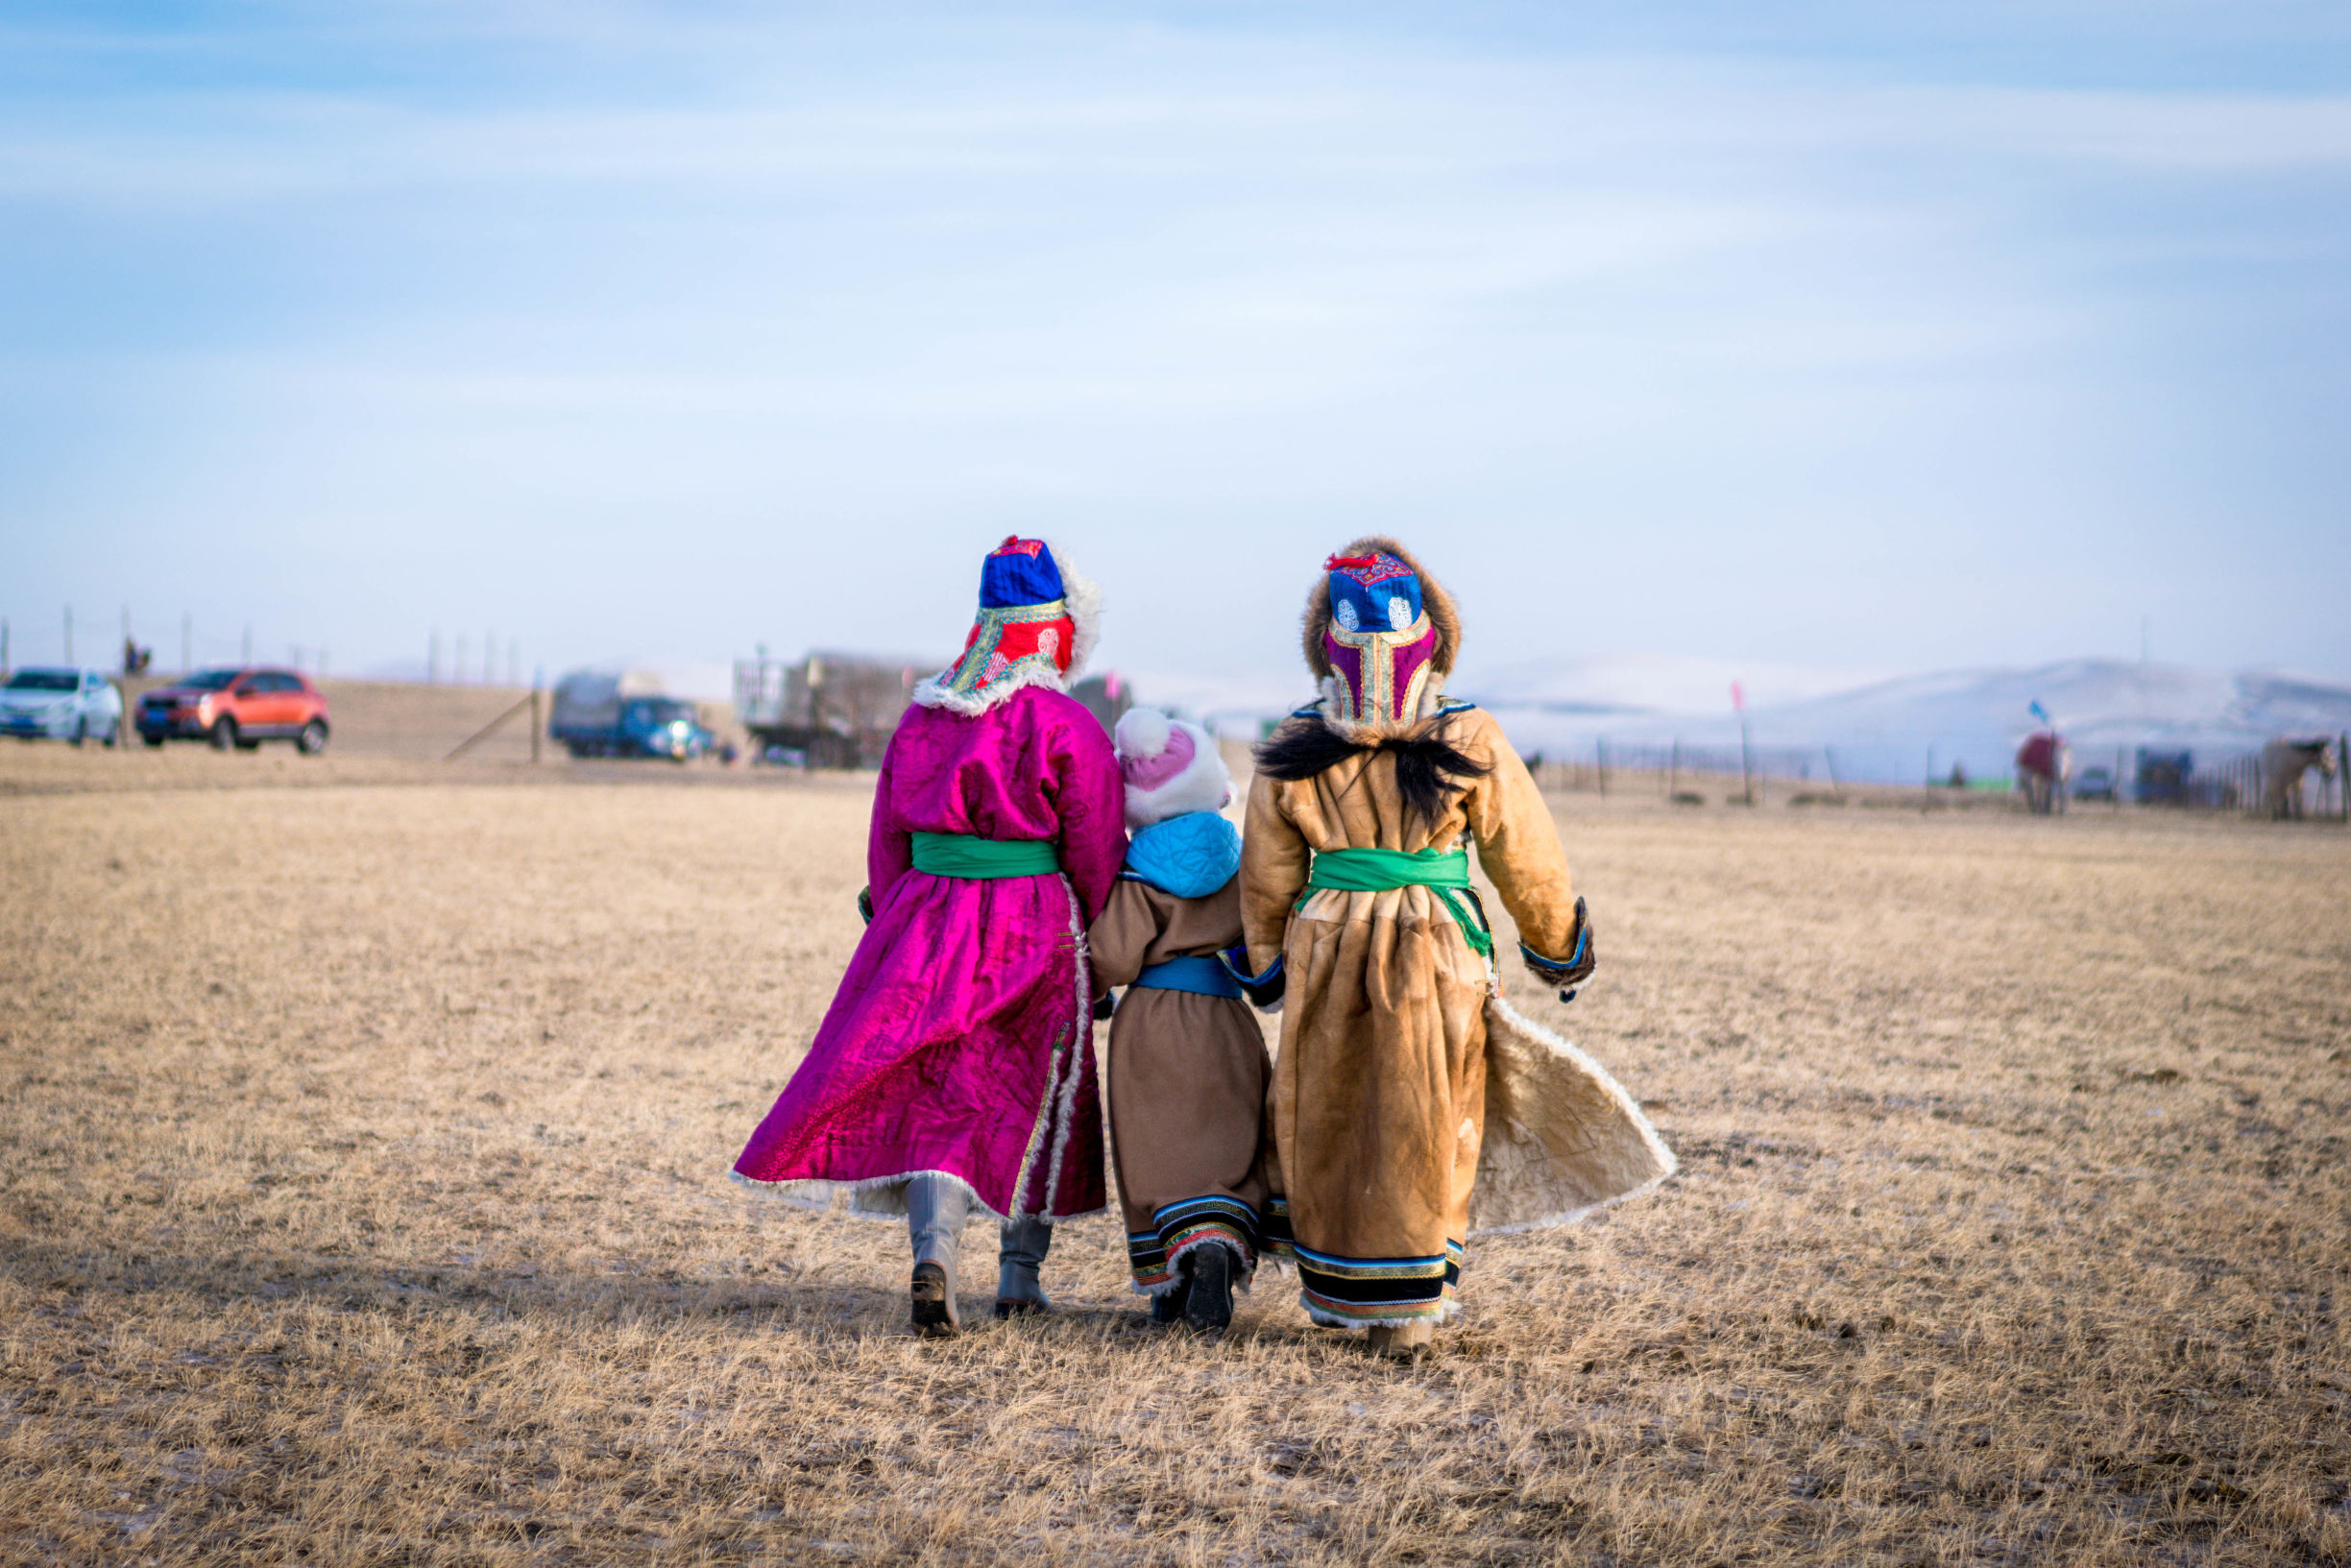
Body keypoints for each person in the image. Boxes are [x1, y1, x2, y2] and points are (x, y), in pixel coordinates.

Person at [1237, 539, 1674, 1358]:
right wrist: (1557, 945)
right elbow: (1526, 853)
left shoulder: (1294, 743)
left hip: (1327, 942)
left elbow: (1265, 875)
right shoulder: (1469, 733)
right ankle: (1407, 1312)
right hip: (1437, 947)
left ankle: (1345, 1298)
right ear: (1433, 634)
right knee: (1428, 1115)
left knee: (1330, 1113)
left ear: (1320, 640)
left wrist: (1266, 963)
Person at [732, 537, 1126, 1335]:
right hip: (1034, 924)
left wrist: (892, 911)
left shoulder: (924, 715)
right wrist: (1098, 933)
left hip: (926, 921)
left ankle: (935, 1253)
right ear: (1055, 629)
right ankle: (1019, 1276)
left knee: (937, 1093)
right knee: (1038, 1086)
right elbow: (1093, 840)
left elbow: (888, 833)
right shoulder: (1066, 721)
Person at [1086, 708, 1270, 1335]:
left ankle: (1170, 1285)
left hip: (1152, 1025)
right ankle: (1216, 1251)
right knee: (1227, 1147)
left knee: (1156, 1155)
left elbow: (1112, 953)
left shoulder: (1138, 867)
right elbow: (1264, 942)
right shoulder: (1243, 859)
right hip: (1228, 1022)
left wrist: (1089, 985)